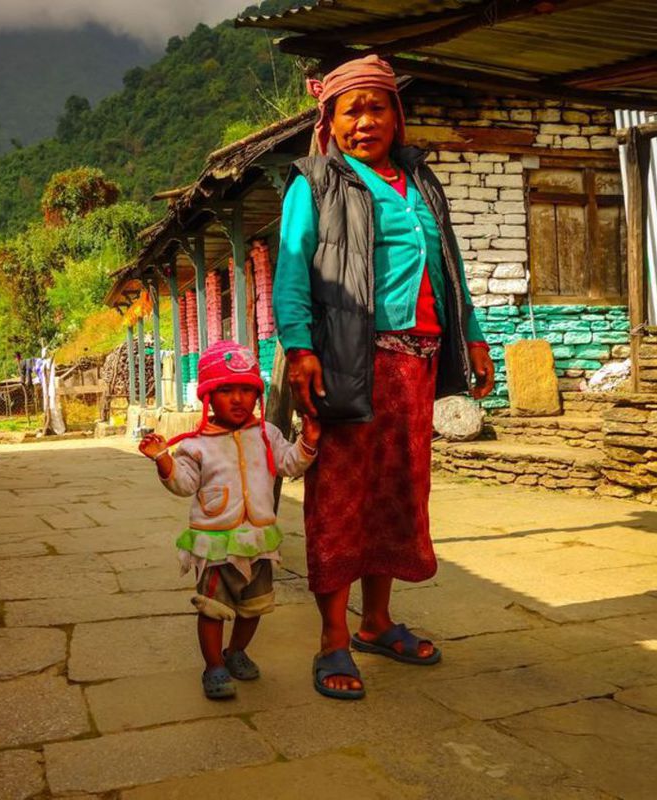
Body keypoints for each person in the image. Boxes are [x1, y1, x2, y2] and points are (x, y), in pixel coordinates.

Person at [273, 55, 495, 700]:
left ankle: (375, 622)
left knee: (398, 492)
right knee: (341, 494)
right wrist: (299, 348)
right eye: (352, 110)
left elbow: (448, 267)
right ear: (331, 121)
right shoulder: (314, 185)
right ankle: (332, 641)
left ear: (397, 115)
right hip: (348, 361)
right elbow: (292, 273)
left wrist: (473, 336)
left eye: (378, 107)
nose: (366, 121)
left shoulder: (423, 184)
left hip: (418, 362)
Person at [139, 340, 321, 700]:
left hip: (258, 541)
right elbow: (184, 483)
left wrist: (308, 443)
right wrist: (164, 459)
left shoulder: (268, 435)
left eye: (246, 391)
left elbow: (290, 464)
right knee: (212, 608)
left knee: (254, 606)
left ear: (257, 394)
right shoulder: (195, 445)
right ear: (208, 397)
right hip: (215, 543)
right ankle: (214, 667)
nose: (237, 399)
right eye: (225, 391)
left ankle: (236, 651)